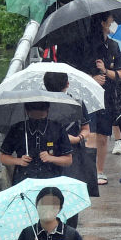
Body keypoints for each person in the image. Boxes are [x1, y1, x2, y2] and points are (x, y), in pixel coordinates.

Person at [42, 69, 99, 201]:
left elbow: (85, 130)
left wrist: (76, 139)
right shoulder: (43, 105)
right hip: (57, 155)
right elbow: (86, 130)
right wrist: (78, 138)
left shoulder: (77, 103)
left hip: (67, 155)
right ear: (67, 84)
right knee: (69, 195)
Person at [85, 11, 121, 184]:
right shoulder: (86, 45)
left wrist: (106, 72)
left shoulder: (114, 46)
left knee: (103, 136)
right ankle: (88, 172)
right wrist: (92, 78)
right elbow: (76, 70)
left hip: (108, 95)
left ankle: (100, 171)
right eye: (111, 19)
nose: (113, 22)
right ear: (103, 22)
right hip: (88, 96)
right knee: (90, 134)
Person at [0, 102, 72, 186]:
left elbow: (68, 160)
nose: (38, 122)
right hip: (23, 179)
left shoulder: (58, 128)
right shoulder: (17, 128)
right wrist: (18, 161)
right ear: (26, 112)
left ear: (48, 111)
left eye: (42, 117)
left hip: (52, 180)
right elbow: (3, 157)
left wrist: (51, 158)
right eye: (33, 118)